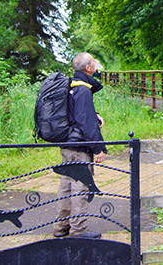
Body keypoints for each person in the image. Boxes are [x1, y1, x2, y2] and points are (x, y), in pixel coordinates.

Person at [53, 52, 107, 238]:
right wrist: (98, 148)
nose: (96, 64)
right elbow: (85, 123)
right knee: (80, 187)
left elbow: (75, 114)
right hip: (79, 147)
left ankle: (61, 227)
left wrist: (95, 114)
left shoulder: (71, 85)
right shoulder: (83, 89)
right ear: (88, 68)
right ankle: (78, 231)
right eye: (93, 62)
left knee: (66, 186)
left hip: (67, 144)